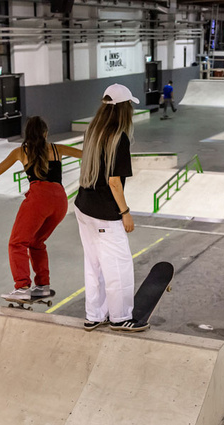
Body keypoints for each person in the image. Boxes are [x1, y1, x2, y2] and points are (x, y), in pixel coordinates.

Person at [0, 116, 83, 300]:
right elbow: (86, 154)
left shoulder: (21, 151)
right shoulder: (57, 149)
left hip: (39, 199)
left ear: (27, 134)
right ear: (45, 134)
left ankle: (22, 286)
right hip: (60, 201)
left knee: (17, 242)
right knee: (36, 242)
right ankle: (43, 285)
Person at [74, 83, 148, 333]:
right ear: (124, 108)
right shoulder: (119, 137)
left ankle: (94, 315)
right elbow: (114, 181)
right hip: (105, 213)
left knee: (94, 264)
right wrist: (125, 213)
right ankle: (119, 317)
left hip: (83, 207)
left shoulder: (93, 130)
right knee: (118, 266)